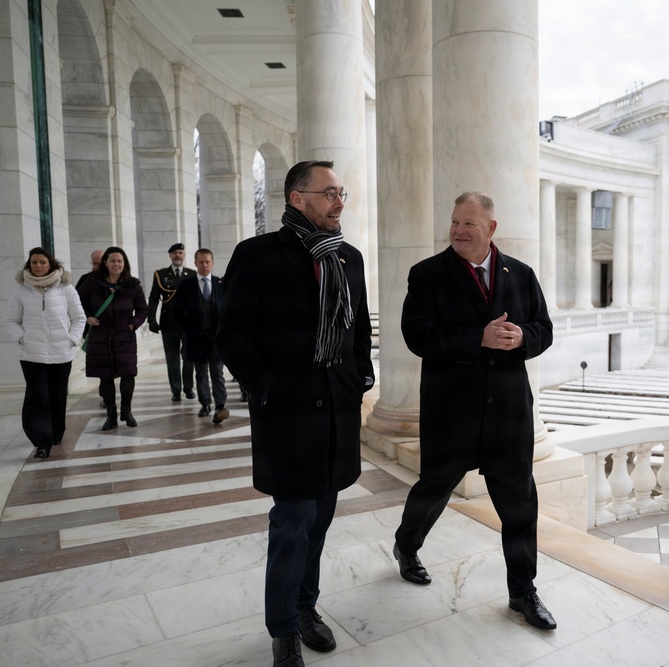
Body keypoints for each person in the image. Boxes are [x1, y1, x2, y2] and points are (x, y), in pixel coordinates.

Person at [216, 160, 374, 667]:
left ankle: (306, 608)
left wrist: (359, 379)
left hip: (336, 412)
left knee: (321, 518)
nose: (339, 201)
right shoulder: (258, 255)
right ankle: (283, 627)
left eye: (341, 192)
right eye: (329, 193)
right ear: (297, 198)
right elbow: (231, 335)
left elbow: (358, 329)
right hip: (287, 412)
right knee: (293, 519)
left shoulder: (348, 257)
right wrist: (265, 388)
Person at [392, 191, 557, 630]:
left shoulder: (520, 274)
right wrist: (476, 339)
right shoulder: (427, 274)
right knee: (433, 490)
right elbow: (417, 334)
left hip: (507, 413)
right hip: (452, 410)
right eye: (454, 222)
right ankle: (407, 547)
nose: (459, 231)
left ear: (491, 229)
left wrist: (522, 337)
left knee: (520, 505)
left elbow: (544, 328)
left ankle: (524, 591)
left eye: (469, 224)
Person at [4, 247, 87, 459]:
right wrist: (22, 338)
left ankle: (56, 432)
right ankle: (41, 442)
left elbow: (79, 318)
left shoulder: (66, 288)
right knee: (38, 397)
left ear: (51, 264)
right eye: (34, 263)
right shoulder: (21, 290)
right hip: (32, 354)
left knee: (57, 397)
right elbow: (11, 321)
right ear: (28, 265)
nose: (38, 266)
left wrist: (72, 339)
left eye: (42, 262)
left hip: (62, 353)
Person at [78, 246, 148, 430]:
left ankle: (127, 410)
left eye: (120, 261)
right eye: (112, 261)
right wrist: (87, 317)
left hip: (124, 335)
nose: (116, 264)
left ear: (124, 263)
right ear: (105, 263)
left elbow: (142, 310)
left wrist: (132, 324)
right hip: (100, 335)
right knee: (105, 377)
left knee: (128, 373)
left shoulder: (133, 285)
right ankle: (111, 414)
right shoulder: (92, 282)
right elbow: (77, 303)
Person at [169, 248, 229, 424]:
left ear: (212, 263)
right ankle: (205, 404)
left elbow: (227, 310)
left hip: (216, 337)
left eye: (208, 262)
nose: (204, 265)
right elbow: (176, 311)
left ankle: (220, 405)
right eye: (201, 262)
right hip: (196, 337)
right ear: (195, 263)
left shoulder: (220, 283)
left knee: (217, 371)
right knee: (201, 372)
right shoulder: (186, 285)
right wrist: (188, 329)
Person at [148, 243, 195, 401]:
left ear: (184, 255)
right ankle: (176, 389)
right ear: (170, 255)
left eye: (180, 252)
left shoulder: (192, 274)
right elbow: (154, 297)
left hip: (188, 323)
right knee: (172, 357)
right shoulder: (161, 274)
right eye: (174, 252)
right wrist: (151, 319)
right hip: (169, 323)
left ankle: (188, 387)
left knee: (189, 356)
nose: (177, 255)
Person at [75, 248, 105, 408]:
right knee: (101, 364)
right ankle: (106, 394)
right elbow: (76, 303)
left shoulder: (117, 278)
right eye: (94, 263)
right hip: (94, 328)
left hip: (115, 329)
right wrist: (87, 317)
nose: (96, 266)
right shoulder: (86, 279)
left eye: (99, 263)